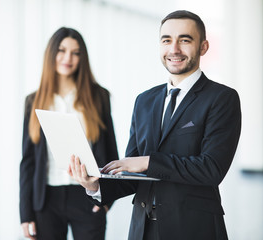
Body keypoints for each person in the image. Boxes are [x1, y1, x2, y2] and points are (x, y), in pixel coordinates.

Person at [68, 10, 241, 240]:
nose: (174, 49)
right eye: (166, 40)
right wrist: (94, 185)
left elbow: (211, 169)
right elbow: (132, 174)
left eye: (185, 40)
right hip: (142, 229)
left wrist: (148, 162)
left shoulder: (221, 98)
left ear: (203, 47)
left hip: (193, 229)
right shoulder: (145, 101)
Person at [19, 27, 119, 240]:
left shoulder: (98, 96)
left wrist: (107, 200)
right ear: (51, 54)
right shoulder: (33, 101)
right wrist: (25, 214)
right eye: (62, 50)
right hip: (46, 199)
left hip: (87, 195)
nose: (68, 58)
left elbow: (111, 151)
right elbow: (28, 161)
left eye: (75, 53)